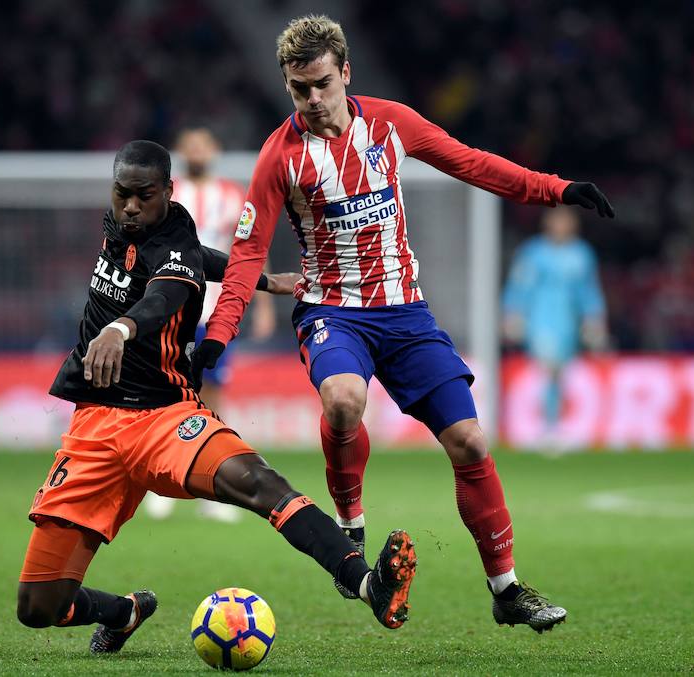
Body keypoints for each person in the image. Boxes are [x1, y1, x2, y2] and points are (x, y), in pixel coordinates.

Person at [191, 15, 614, 633]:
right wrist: (218, 336)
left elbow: (472, 164)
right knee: (342, 399)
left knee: (469, 442)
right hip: (332, 311)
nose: (311, 100)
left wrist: (555, 189)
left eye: (321, 84)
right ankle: (351, 524)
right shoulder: (279, 156)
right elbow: (250, 254)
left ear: (346, 74)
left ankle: (506, 589)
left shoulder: (390, 123)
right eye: (298, 89)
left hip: (405, 312)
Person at [15, 140, 418, 654]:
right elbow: (200, 258)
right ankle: (123, 612)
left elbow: (164, 295)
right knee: (38, 607)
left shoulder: (174, 246)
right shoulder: (123, 225)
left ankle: (367, 583)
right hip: (93, 430)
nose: (132, 206)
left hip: (163, 419)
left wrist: (119, 328)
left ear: (168, 191)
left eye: (144, 196)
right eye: (123, 195)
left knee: (257, 482)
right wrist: (265, 280)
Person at [143, 127, 280, 523]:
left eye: (204, 144)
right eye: (191, 145)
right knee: (167, 392)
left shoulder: (232, 195)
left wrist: (265, 304)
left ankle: (211, 488)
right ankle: (163, 482)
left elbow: (249, 248)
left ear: (215, 150)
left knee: (214, 394)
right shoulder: (168, 195)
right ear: (181, 151)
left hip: (216, 312)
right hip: (171, 309)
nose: (198, 151)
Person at [503, 208, 607, 449]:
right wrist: (513, 313)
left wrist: (594, 319)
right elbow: (519, 285)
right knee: (549, 366)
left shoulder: (582, 254)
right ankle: (546, 427)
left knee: (559, 372)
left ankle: (552, 426)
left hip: (567, 321)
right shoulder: (533, 252)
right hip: (540, 318)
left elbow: (589, 290)